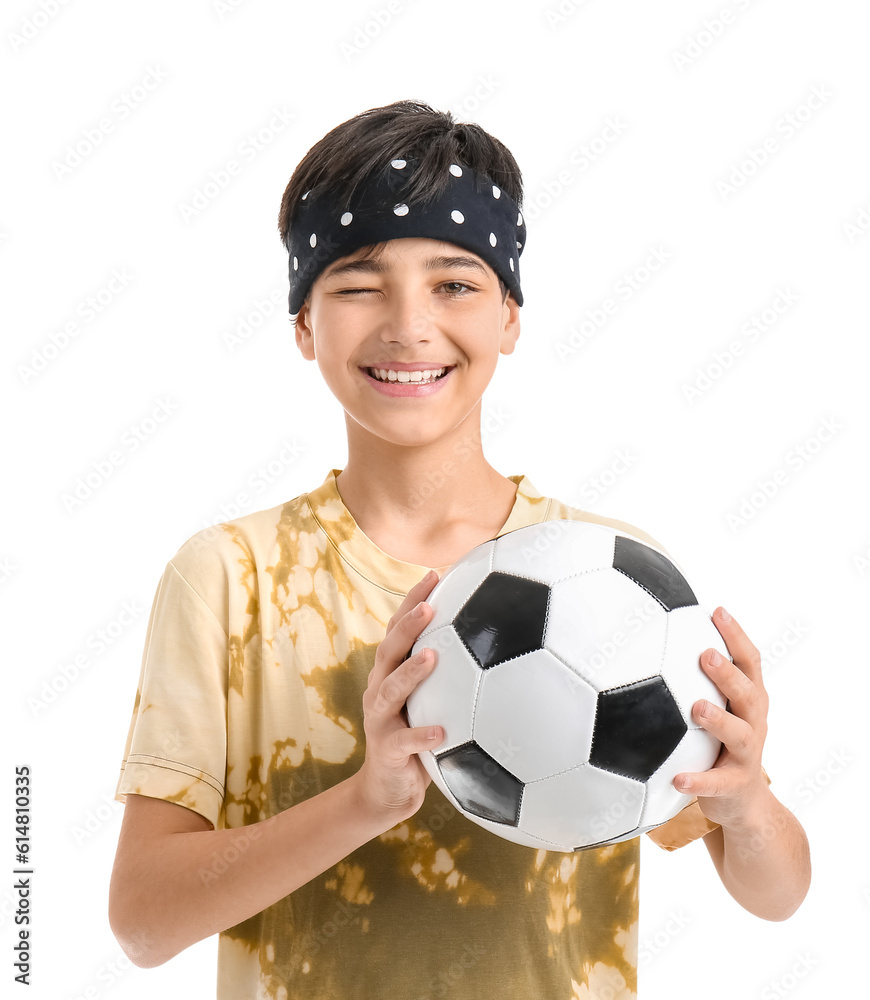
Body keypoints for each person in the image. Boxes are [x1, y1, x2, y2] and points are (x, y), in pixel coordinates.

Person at [108, 99, 810, 999]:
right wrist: (365, 801)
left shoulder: (613, 579)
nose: (409, 324)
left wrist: (745, 799)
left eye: (455, 284)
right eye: (358, 284)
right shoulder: (230, 577)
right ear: (302, 324)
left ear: (510, 318)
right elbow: (140, 922)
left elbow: (778, 894)